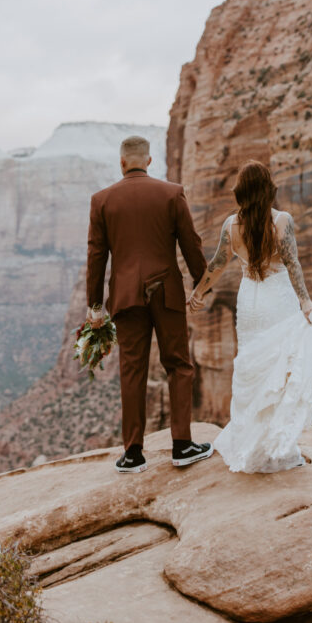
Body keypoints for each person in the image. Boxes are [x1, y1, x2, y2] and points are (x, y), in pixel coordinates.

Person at [188, 159, 312, 473]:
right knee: (278, 370)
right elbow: (293, 265)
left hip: (250, 302)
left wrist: (199, 291)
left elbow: (217, 265)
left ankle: (249, 441)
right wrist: (306, 302)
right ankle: (277, 447)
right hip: (277, 299)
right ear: (268, 189)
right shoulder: (281, 221)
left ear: (241, 192)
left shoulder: (230, 226)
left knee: (252, 368)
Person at [86, 135, 214, 473]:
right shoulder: (171, 193)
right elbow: (191, 242)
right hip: (166, 292)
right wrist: (202, 284)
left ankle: (133, 454)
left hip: (126, 296)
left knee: (132, 371)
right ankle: (183, 445)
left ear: (122, 162)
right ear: (149, 161)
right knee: (178, 365)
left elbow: (96, 257)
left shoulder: (102, 200)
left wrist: (95, 306)